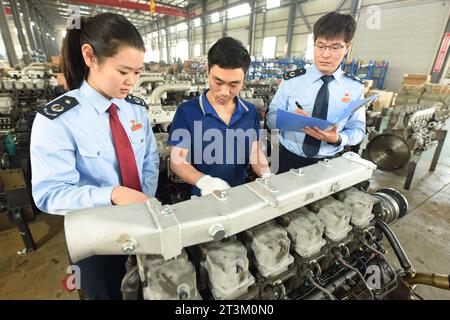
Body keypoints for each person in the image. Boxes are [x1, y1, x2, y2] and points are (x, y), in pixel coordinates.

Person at [30, 13, 159, 299]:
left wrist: (143, 203)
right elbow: (49, 193)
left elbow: (149, 160)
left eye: (137, 72)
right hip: (96, 241)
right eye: (123, 72)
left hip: (143, 225)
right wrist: (111, 195)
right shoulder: (58, 120)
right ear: (90, 56)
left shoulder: (135, 109)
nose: (132, 82)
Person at [168, 37, 270, 196]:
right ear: (208, 70)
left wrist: (266, 174)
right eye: (218, 81)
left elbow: (255, 153)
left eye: (233, 84)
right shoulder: (187, 112)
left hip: (239, 195)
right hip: (202, 198)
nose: (224, 92)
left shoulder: (249, 111)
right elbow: (177, 161)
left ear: (244, 78)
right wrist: (205, 181)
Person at [266, 11, 366, 173]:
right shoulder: (292, 80)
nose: (325, 54)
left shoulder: (354, 87)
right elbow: (270, 120)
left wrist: (339, 138)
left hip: (327, 163)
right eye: (320, 46)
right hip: (286, 157)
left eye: (335, 47)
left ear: (347, 47)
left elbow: (358, 130)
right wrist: (289, 118)